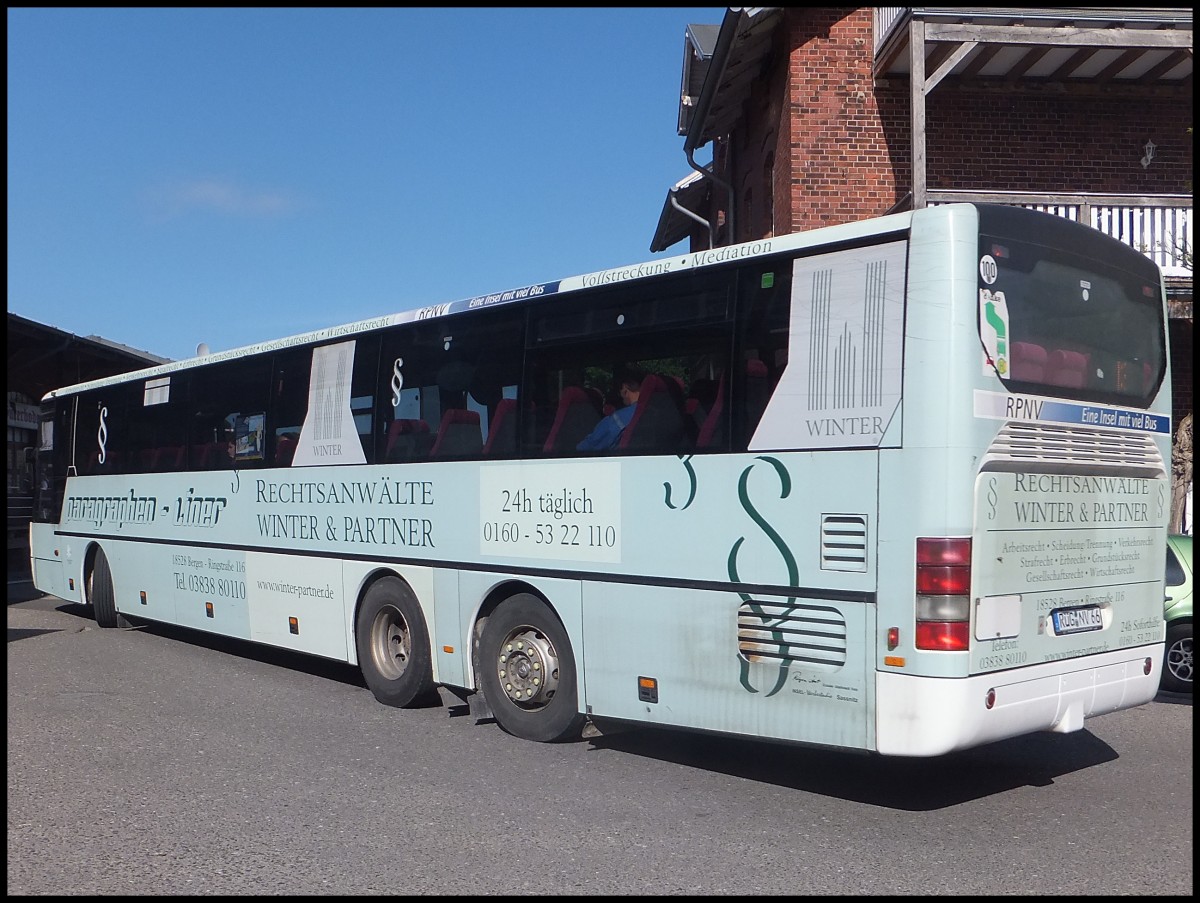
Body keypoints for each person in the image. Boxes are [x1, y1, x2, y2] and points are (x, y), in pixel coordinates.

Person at [577, 372, 642, 451]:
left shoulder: (620, 418)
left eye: (619, 392)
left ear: (625, 389)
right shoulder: (653, 412)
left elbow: (592, 444)